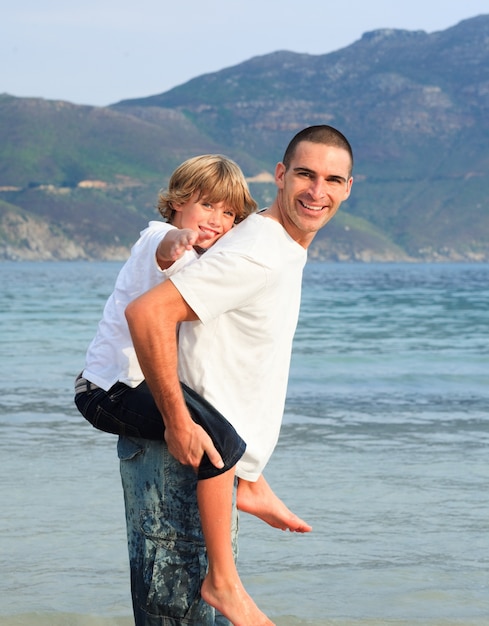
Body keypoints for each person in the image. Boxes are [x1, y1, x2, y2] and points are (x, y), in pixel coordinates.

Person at [124, 125, 354, 625]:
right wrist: (179, 421)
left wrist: (246, 469)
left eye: (333, 179)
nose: (318, 191)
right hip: (183, 456)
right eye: (305, 175)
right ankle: (225, 579)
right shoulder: (258, 252)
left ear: (348, 187)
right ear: (280, 175)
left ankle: (249, 481)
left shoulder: (276, 244)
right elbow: (147, 314)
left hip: (211, 461)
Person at [75, 154, 308, 626]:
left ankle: (251, 483)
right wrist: (182, 238)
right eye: (206, 206)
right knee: (218, 445)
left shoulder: (214, 256)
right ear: (178, 203)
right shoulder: (158, 238)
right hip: (109, 389)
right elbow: (166, 247)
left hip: (133, 386)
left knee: (225, 431)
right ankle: (222, 581)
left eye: (228, 214)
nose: (216, 221)